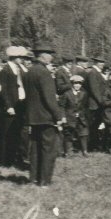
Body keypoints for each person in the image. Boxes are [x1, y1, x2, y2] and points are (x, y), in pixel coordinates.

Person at [24, 43, 66, 186]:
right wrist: (58, 116)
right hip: (46, 117)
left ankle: (33, 178)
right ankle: (44, 181)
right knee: (48, 150)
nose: (51, 57)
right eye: (49, 55)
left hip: (33, 117)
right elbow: (49, 98)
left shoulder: (29, 71)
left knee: (35, 149)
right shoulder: (44, 73)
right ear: (43, 56)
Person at [0, 46, 28, 169]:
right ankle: (5, 160)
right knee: (8, 133)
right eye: (19, 57)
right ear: (13, 57)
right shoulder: (5, 71)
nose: (21, 59)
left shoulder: (21, 69)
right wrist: (8, 106)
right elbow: (3, 90)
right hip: (11, 106)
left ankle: (17, 157)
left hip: (20, 104)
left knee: (18, 132)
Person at [59, 75, 89, 156]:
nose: (78, 85)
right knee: (69, 134)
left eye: (79, 83)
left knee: (83, 133)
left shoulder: (84, 94)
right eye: (76, 83)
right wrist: (63, 117)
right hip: (69, 117)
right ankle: (68, 151)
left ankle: (84, 151)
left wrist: (83, 115)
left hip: (81, 117)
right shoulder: (67, 94)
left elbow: (85, 106)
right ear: (72, 84)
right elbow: (62, 106)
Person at [86, 56, 108, 152]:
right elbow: (94, 90)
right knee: (93, 126)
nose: (102, 64)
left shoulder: (97, 72)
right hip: (94, 104)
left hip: (98, 103)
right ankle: (91, 146)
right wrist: (101, 102)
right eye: (100, 62)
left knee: (96, 125)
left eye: (103, 62)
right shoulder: (93, 73)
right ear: (95, 63)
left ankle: (95, 145)